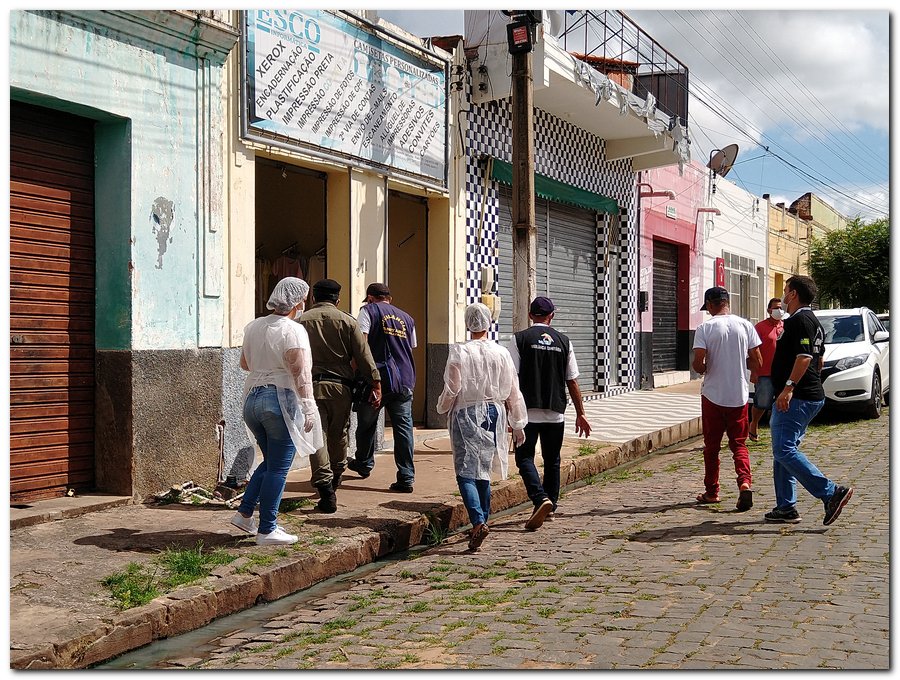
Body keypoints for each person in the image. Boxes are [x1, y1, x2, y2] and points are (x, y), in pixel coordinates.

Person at [230, 277, 323, 546]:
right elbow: (300, 372)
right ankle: (267, 527)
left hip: (252, 400)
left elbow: (245, 364)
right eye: (302, 300)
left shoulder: (254, 326)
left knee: (270, 462)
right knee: (280, 468)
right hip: (279, 400)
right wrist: (308, 407)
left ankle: (245, 513)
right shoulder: (293, 330)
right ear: (296, 302)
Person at [437, 303, 527, 551]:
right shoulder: (501, 353)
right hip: (494, 411)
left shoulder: (460, 352)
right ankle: (483, 519)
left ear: (468, 324)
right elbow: (513, 390)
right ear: (490, 322)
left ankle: (477, 521)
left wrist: (442, 407)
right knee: (483, 469)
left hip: (466, 411)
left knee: (466, 469)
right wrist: (517, 422)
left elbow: (452, 388)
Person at [765, 275, 853, 525]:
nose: (782, 296)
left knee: (784, 449)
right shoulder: (813, 321)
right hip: (808, 394)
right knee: (783, 450)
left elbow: (804, 357)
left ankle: (831, 492)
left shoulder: (799, 321)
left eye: (785, 290)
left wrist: (789, 387)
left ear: (793, 294)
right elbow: (819, 358)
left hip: (798, 397)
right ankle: (786, 506)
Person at [508, 296, 592, 531]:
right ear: (551, 316)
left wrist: (510, 413)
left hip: (527, 412)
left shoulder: (519, 339)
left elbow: (511, 379)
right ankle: (551, 506)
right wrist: (581, 413)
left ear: (529, 314)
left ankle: (539, 498)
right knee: (552, 460)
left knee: (524, 458)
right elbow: (572, 381)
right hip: (555, 412)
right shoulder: (564, 341)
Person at [299, 279, 382, 513]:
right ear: (337, 299)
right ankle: (336, 473)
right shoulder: (348, 321)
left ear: (313, 298)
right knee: (339, 432)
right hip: (341, 388)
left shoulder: (300, 322)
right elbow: (363, 355)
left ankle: (325, 485)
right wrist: (375, 383)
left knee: (317, 436)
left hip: (310, 388)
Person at [692, 286, 762, 512]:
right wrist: (739, 365)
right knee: (739, 445)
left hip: (713, 395)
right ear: (727, 302)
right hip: (739, 395)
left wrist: (707, 365)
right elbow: (757, 361)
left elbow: (698, 364)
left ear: (711, 305)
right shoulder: (745, 325)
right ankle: (744, 482)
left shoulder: (705, 327)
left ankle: (712, 492)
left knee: (712, 447)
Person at [349, 283, 417, 492]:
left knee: (366, 422)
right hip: (404, 379)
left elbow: (362, 345)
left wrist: (355, 370)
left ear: (370, 298)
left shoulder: (367, 311)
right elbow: (411, 347)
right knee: (403, 428)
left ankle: (364, 462)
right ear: (390, 298)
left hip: (377, 379)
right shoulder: (407, 318)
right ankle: (406, 477)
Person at [749, 297, 786, 442]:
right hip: (764, 372)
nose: (779, 310)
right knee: (762, 401)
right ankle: (754, 423)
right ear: (769, 310)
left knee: (782, 402)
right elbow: (753, 350)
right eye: (776, 308)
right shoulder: (760, 327)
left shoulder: (785, 326)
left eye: (781, 308)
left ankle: (779, 431)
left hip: (782, 373)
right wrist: (754, 371)